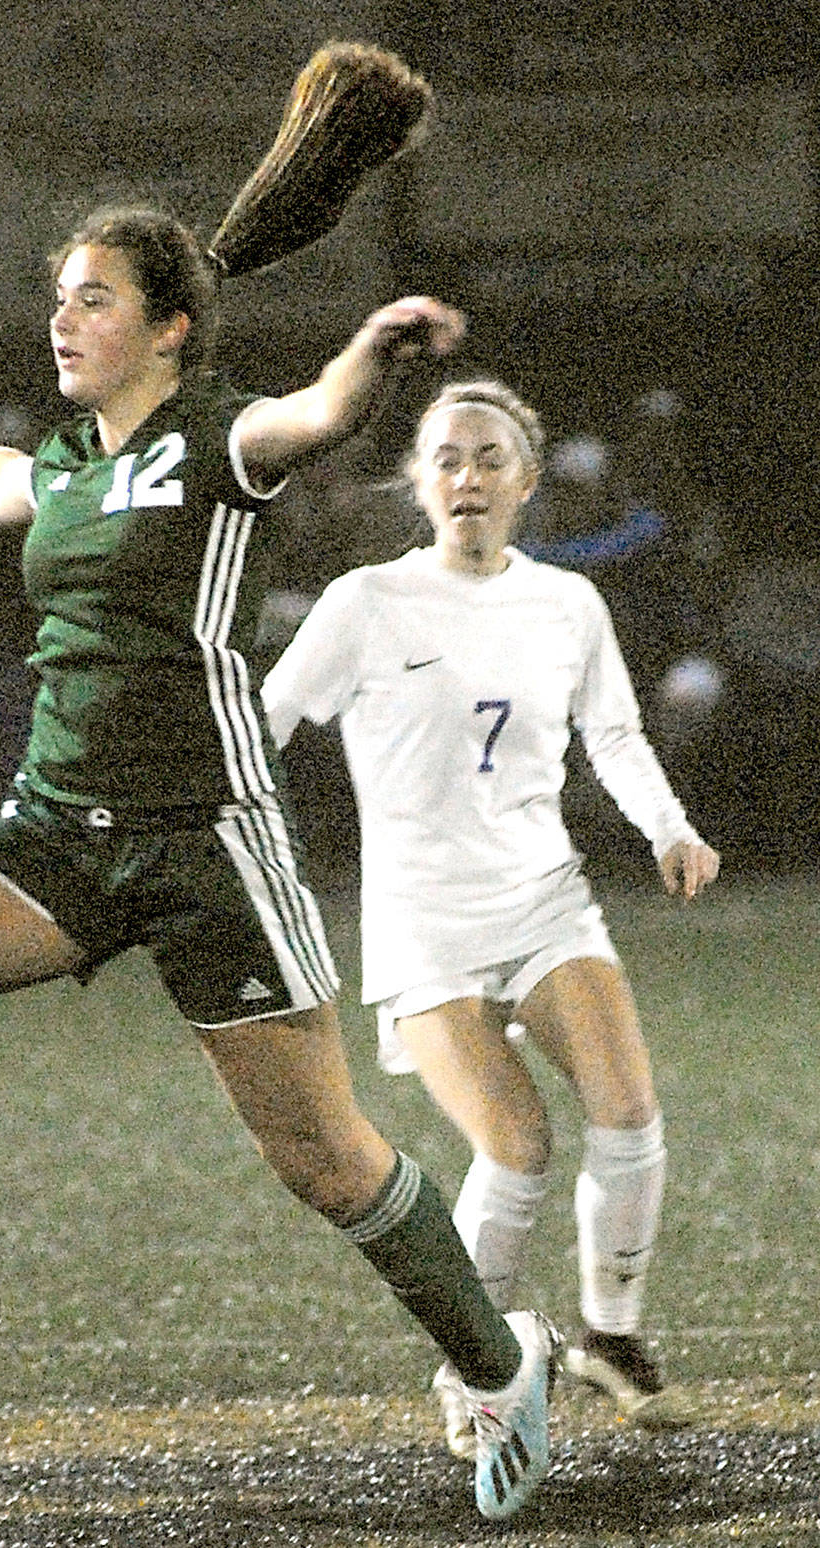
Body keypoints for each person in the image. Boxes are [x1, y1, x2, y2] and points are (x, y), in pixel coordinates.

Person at [0, 43, 557, 1522]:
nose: (63, 318)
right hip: (55, 832)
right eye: (59, 296)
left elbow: (317, 417)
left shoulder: (215, 438)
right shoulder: (72, 466)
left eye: (93, 297)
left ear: (167, 328)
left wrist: (376, 345)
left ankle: (498, 1364)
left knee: (330, 1165)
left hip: (208, 844)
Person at [261, 378, 720, 1460]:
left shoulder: (565, 605)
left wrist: (666, 825)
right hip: (423, 925)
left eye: (487, 459)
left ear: (523, 481)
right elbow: (265, 721)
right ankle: (473, 1375)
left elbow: (612, 735)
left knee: (628, 1113)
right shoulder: (364, 603)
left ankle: (608, 1337)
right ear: (417, 482)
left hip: (543, 899)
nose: (466, 477)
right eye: (446, 460)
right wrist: (223, 835)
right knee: (515, 1148)